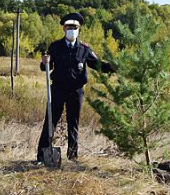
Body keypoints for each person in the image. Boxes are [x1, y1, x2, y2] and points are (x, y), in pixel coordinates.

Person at [36, 12, 115, 162]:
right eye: (68, 27)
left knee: (73, 123)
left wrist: (114, 66)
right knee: (50, 122)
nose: (71, 29)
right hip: (58, 89)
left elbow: (97, 65)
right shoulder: (55, 46)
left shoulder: (84, 48)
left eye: (74, 27)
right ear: (64, 29)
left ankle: (73, 157)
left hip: (76, 91)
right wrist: (44, 62)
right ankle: (42, 156)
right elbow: (46, 67)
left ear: (79, 29)